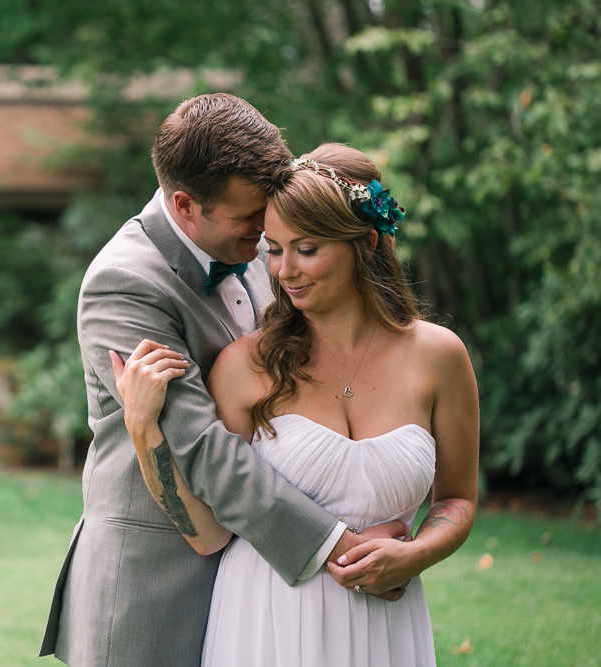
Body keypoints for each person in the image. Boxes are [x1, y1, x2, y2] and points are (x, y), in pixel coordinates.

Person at [40, 96, 408, 667]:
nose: (267, 239)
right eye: (250, 222)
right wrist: (340, 546)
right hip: (157, 586)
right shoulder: (124, 284)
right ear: (185, 205)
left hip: (261, 583)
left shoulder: (261, 244)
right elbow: (200, 445)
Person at [112, 143, 480, 666]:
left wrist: (416, 554)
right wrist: (142, 426)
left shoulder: (439, 356)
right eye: (274, 249)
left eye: (306, 249)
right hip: (266, 622)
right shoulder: (245, 367)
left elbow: (457, 499)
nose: (284, 271)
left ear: (367, 244)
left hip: (388, 621)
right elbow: (208, 532)